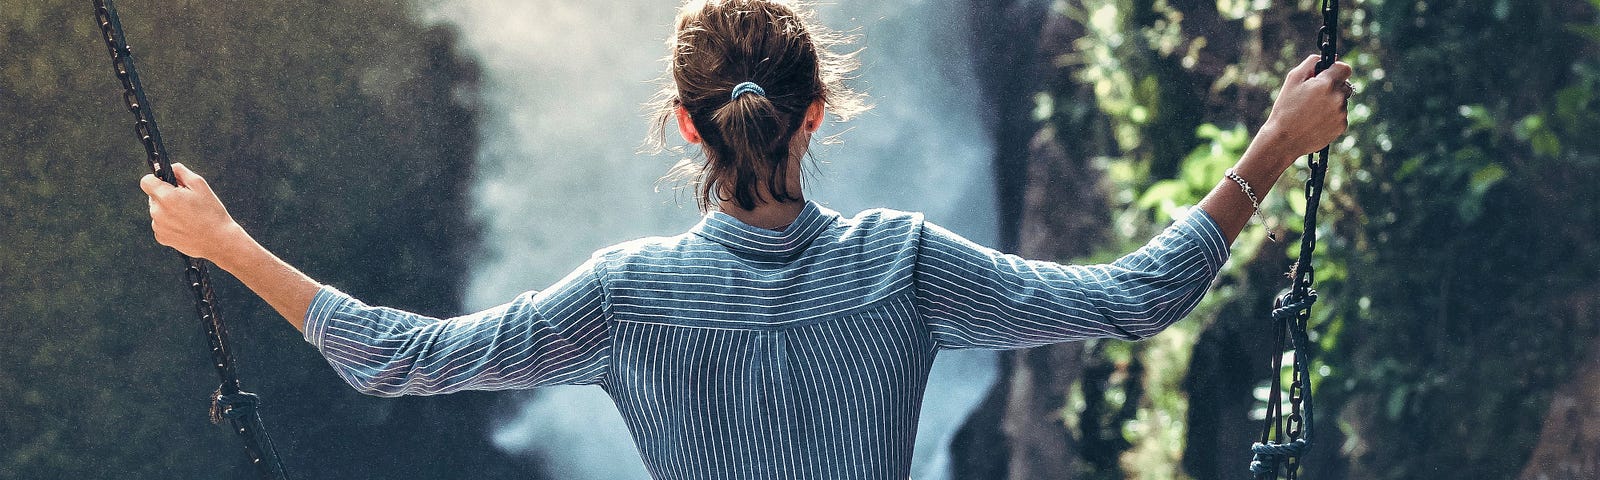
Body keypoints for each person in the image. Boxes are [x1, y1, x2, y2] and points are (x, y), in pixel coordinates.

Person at [140, 0, 1353, 478]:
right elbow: (1137, 297)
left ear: (680, 125)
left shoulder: (621, 297)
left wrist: (227, 238)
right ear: (818, 114)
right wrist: (1271, 147)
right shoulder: (902, 264)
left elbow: (395, 355)